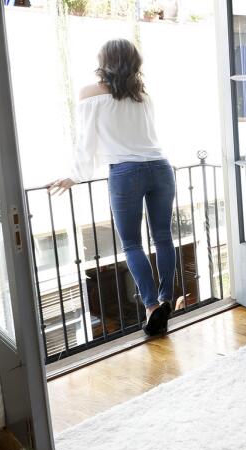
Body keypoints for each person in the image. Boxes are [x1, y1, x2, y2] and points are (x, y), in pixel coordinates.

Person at [49, 38, 176, 336]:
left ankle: (151, 306)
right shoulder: (143, 95)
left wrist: (75, 175)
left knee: (132, 243)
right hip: (160, 167)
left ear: (105, 61)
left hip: (125, 171)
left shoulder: (90, 94)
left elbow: (85, 141)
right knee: (163, 237)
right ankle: (166, 297)